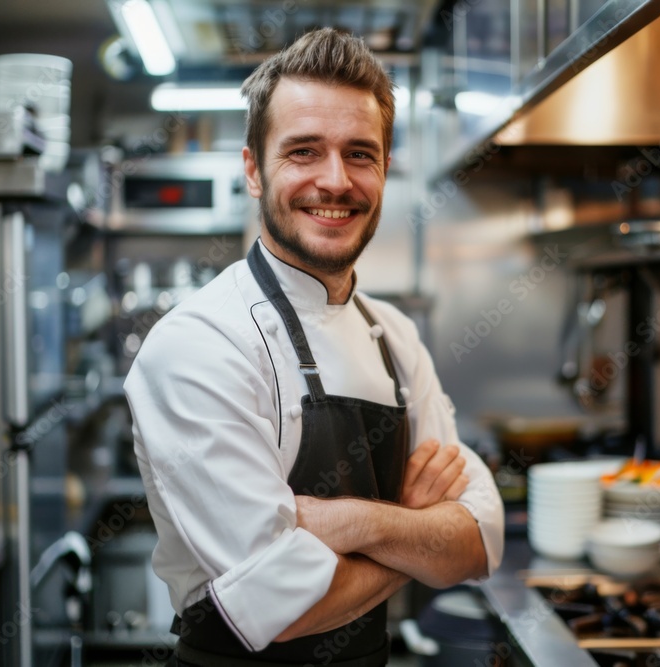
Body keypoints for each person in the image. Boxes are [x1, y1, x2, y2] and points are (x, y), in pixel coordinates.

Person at [124, 27, 504, 667]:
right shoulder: (198, 344)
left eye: (361, 154)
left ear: (384, 168)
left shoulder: (395, 335)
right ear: (253, 168)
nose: (336, 181)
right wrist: (416, 528)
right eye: (304, 151)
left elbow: (480, 542)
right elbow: (283, 605)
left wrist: (364, 524)